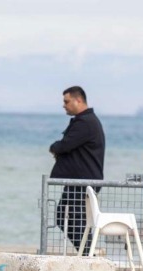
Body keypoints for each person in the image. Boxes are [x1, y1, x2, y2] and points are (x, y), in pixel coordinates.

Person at [49, 86, 105, 253]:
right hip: (80, 180)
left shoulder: (85, 122)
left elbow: (65, 145)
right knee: (70, 219)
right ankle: (88, 253)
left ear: (78, 100)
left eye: (66, 101)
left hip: (84, 182)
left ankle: (89, 254)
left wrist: (54, 147)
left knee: (73, 220)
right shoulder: (86, 121)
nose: (64, 105)